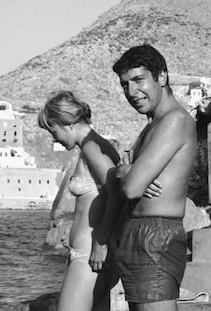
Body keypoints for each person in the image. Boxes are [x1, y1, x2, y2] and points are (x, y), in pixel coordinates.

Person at [112, 44, 197, 311]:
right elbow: (126, 177)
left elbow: (131, 188)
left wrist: (127, 172)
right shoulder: (153, 124)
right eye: (125, 84)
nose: (132, 92)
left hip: (155, 237)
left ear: (162, 77)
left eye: (139, 80)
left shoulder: (174, 120)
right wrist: (123, 172)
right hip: (143, 236)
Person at [38, 90, 123, 311]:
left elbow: (117, 192)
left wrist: (101, 243)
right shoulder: (94, 145)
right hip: (92, 254)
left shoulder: (91, 148)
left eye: (53, 130)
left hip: (89, 256)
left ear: (65, 123)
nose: (54, 138)